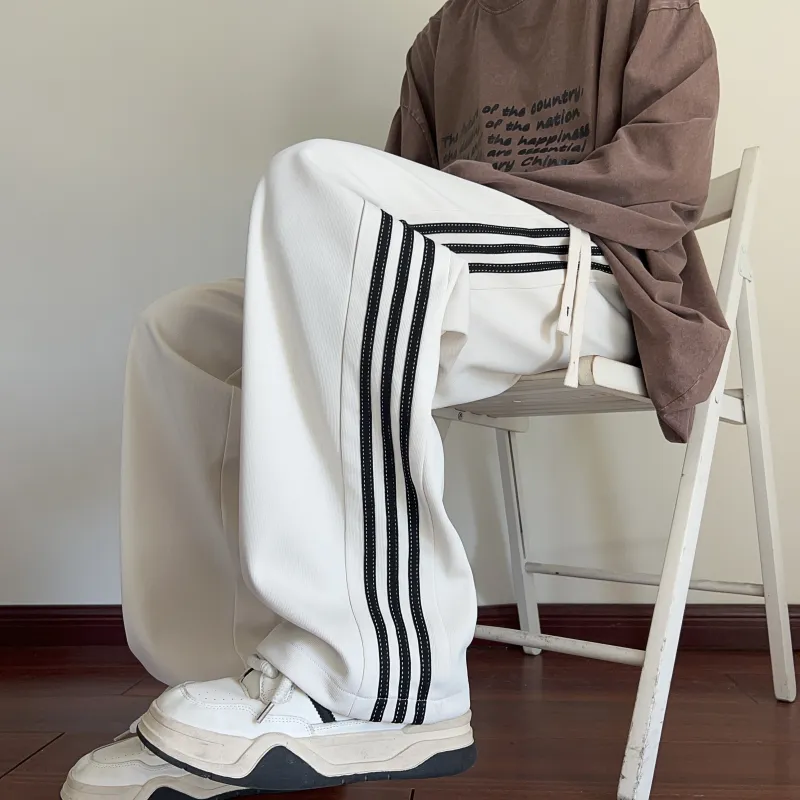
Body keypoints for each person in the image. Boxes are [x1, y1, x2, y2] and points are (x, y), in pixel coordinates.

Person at [62, 0, 725, 797]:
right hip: (469, 265)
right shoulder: (447, 33)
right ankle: (237, 679)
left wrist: (482, 189)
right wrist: (453, 197)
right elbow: (379, 203)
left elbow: (667, 178)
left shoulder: (647, 8)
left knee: (310, 174)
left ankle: (374, 679)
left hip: (596, 273)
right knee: (185, 331)